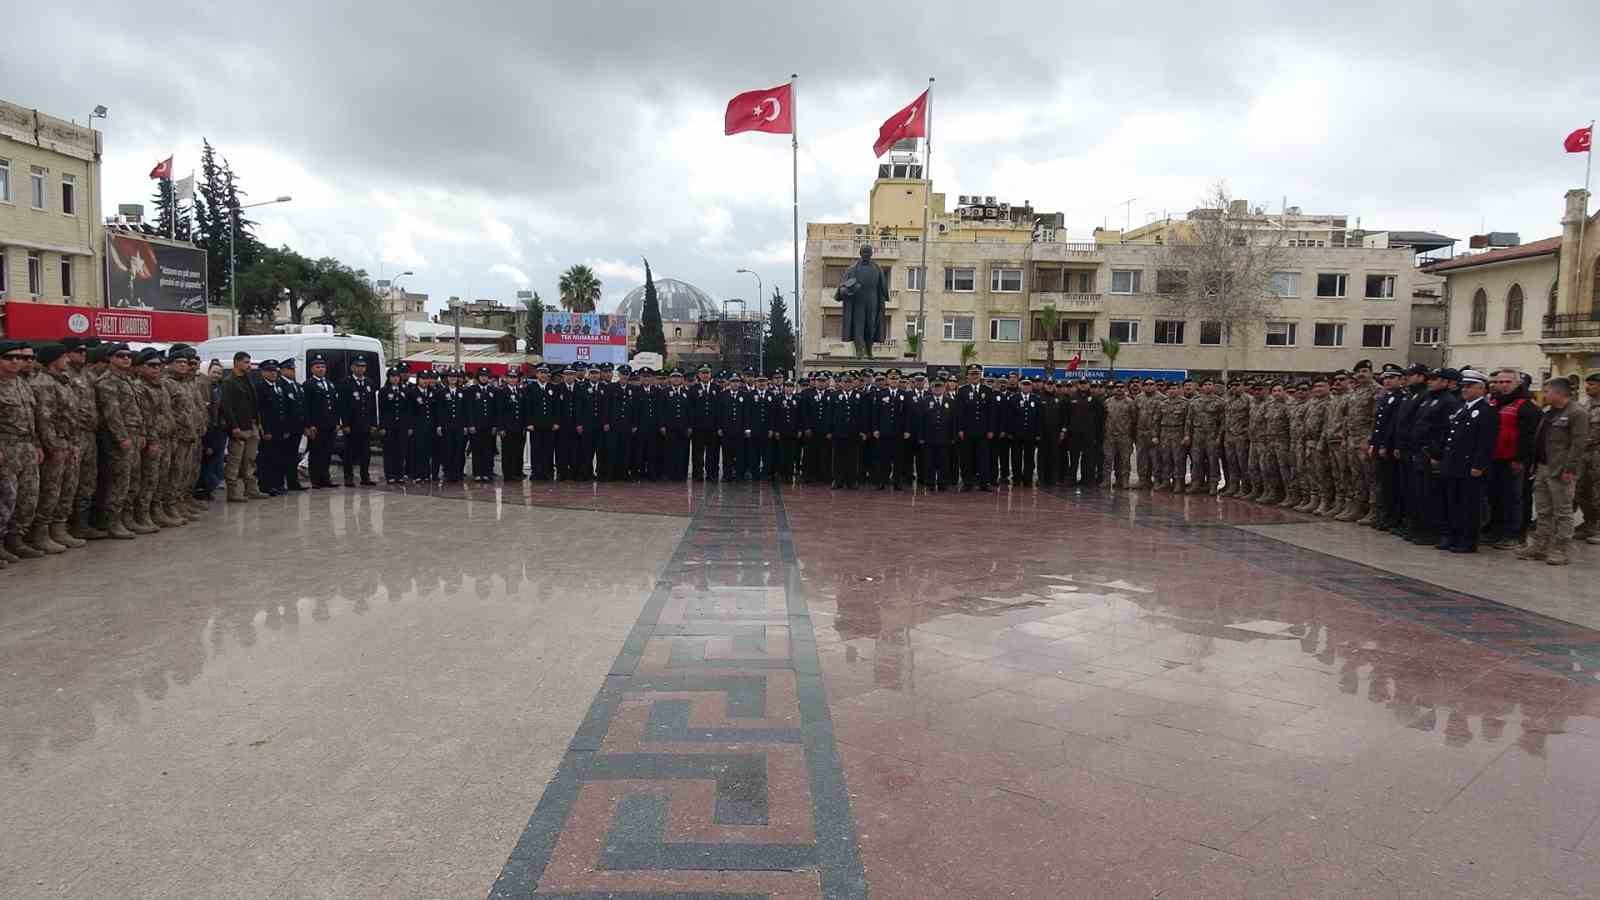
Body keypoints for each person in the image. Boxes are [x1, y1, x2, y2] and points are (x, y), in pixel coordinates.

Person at [1519, 376, 1588, 565]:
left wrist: (1570, 469)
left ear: (1558, 393)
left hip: (1560, 469)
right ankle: (1540, 545)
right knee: (1543, 509)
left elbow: (1579, 443)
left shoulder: (1576, 413)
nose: (1544, 394)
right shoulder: (1549, 412)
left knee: (1563, 511)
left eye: (1547, 390)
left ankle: (1560, 548)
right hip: (1542, 467)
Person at [1440, 370, 1498, 553]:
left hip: (1470, 465)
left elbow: (1485, 441)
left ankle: (1467, 540)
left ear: (1481, 388)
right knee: (1454, 501)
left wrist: (1478, 465)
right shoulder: (1462, 408)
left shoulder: (1486, 411)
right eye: (1463, 386)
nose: (1464, 389)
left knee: (1469, 504)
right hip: (1455, 463)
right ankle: (1454, 535)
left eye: (1469, 386)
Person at [1484, 368, 1540, 549]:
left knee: (1516, 498)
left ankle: (1516, 535)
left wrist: (1521, 460)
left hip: (1514, 462)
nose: (1502, 385)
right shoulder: (1494, 402)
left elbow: (1530, 437)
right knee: (1496, 497)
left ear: (1517, 384)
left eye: (1507, 382)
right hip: (1494, 459)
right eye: (1499, 382)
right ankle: (1497, 531)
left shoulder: (1526, 405)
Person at [0, 341, 44, 562]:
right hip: (6, 447)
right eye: (9, 357)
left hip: (26, 446)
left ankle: (16, 539)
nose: (16, 361)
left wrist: (36, 445)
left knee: (28, 496)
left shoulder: (23, 383)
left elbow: (32, 418)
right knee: (6, 498)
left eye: (19, 357)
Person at [219, 352, 262, 504]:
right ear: (236, 363)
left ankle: (251, 488)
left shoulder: (248, 380)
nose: (249, 365)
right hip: (239, 426)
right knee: (235, 460)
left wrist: (258, 423)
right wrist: (234, 426)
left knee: (250, 459)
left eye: (249, 362)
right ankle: (232, 492)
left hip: (252, 425)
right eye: (245, 362)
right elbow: (227, 406)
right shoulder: (229, 382)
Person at [338, 358, 379, 486]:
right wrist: (345, 424)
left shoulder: (369, 382)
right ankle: (348, 477)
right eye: (357, 366)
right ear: (352, 368)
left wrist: (373, 423)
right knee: (349, 453)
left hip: (365, 424)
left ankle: (365, 477)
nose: (360, 369)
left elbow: (372, 405)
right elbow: (342, 406)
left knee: (366, 453)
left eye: (363, 366)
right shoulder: (345, 383)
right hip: (351, 425)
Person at [254, 359, 292, 496]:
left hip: (280, 429)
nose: (273, 373)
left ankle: (277, 483)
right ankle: (266, 485)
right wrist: (265, 430)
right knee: (267, 459)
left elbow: (284, 410)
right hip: (269, 430)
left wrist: (286, 428)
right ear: (263, 372)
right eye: (270, 371)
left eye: (275, 371)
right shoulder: (260, 387)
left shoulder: (278, 386)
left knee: (279, 457)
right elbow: (261, 411)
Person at [302, 355, 338, 488]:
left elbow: (334, 405)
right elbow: (306, 407)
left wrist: (336, 422)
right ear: (312, 369)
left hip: (330, 425)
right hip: (316, 426)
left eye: (323, 367)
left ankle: (325, 478)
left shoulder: (329, 383)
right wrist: (309, 425)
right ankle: (316, 480)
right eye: (318, 367)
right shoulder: (308, 384)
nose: (321, 369)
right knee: (316, 453)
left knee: (327, 453)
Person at [433, 368, 468, 482]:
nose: (452, 379)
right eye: (450, 377)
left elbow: (465, 410)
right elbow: (439, 410)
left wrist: (466, 426)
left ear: (458, 379)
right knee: (447, 449)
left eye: (455, 377)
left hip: (459, 426)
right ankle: (448, 472)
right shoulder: (441, 392)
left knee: (459, 450)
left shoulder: (463, 392)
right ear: (447, 379)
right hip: (446, 426)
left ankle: (457, 472)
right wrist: (439, 425)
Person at [278, 358, 307, 491]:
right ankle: (282, 482)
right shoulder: (280, 385)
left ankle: (293, 482)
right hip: (288, 428)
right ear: (283, 370)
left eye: (293, 369)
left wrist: (305, 426)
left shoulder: (296, 385)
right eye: (289, 369)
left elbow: (301, 407)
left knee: (293, 456)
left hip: (297, 427)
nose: (292, 371)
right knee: (285, 456)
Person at [1578, 372, 1600, 545]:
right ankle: (1590, 523)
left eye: (1592, 384)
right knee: (1582, 489)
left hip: (1597, 453)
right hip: (1584, 454)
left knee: (1598, 491)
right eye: (1588, 383)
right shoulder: (1585, 405)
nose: (1588, 387)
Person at [463, 367, 497, 483]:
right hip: (476, 426)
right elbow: (469, 409)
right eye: (482, 375)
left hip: (489, 426)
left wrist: (494, 425)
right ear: (478, 377)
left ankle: (487, 472)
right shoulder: (471, 390)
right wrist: (470, 424)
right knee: (477, 450)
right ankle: (477, 473)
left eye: (486, 376)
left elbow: (495, 410)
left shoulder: (493, 390)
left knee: (488, 450)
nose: (484, 377)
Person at [378, 367, 410, 484]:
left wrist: (408, 426)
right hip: (389, 426)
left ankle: (399, 475)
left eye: (397, 376)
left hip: (401, 426)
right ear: (389, 378)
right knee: (389, 451)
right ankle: (390, 475)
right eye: (393, 376)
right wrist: (382, 426)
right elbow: (381, 410)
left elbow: (407, 410)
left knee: (401, 451)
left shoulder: (405, 391)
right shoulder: (384, 391)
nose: (395, 378)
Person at [496, 366, 527, 482]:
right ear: (506, 379)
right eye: (511, 377)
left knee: (519, 451)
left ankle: (518, 472)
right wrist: (501, 428)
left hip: (520, 427)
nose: (513, 380)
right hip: (507, 428)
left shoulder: (521, 391)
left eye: (515, 378)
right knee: (508, 452)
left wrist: (525, 425)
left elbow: (524, 410)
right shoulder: (502, 392)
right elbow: (499, 411)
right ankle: (508, 474)